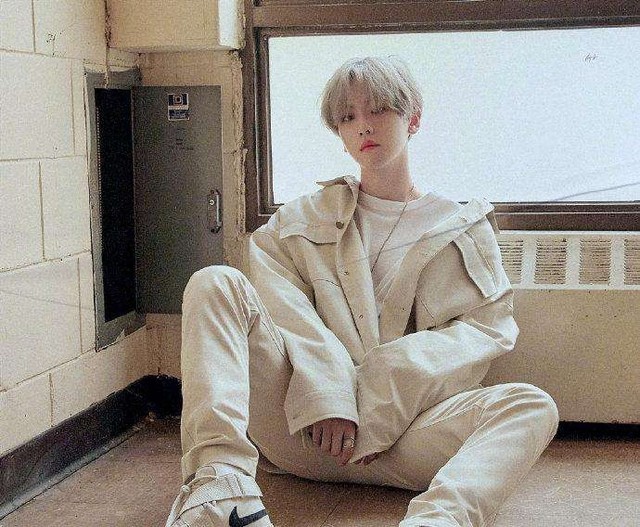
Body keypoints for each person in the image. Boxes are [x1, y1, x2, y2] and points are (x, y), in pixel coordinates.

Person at [165, 56, 559, 527]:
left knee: (530, 405)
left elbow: (483, 333)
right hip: (306, 431)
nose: (363, 127)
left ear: (413, 119)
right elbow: (285, 313)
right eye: (348, 117)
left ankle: (436, 522)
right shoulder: (301, 220)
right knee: (215, 282)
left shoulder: (461, 228)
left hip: (409, 440)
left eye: (379, 110)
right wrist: (329, 396)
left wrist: (377, 400)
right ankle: (222, 493)